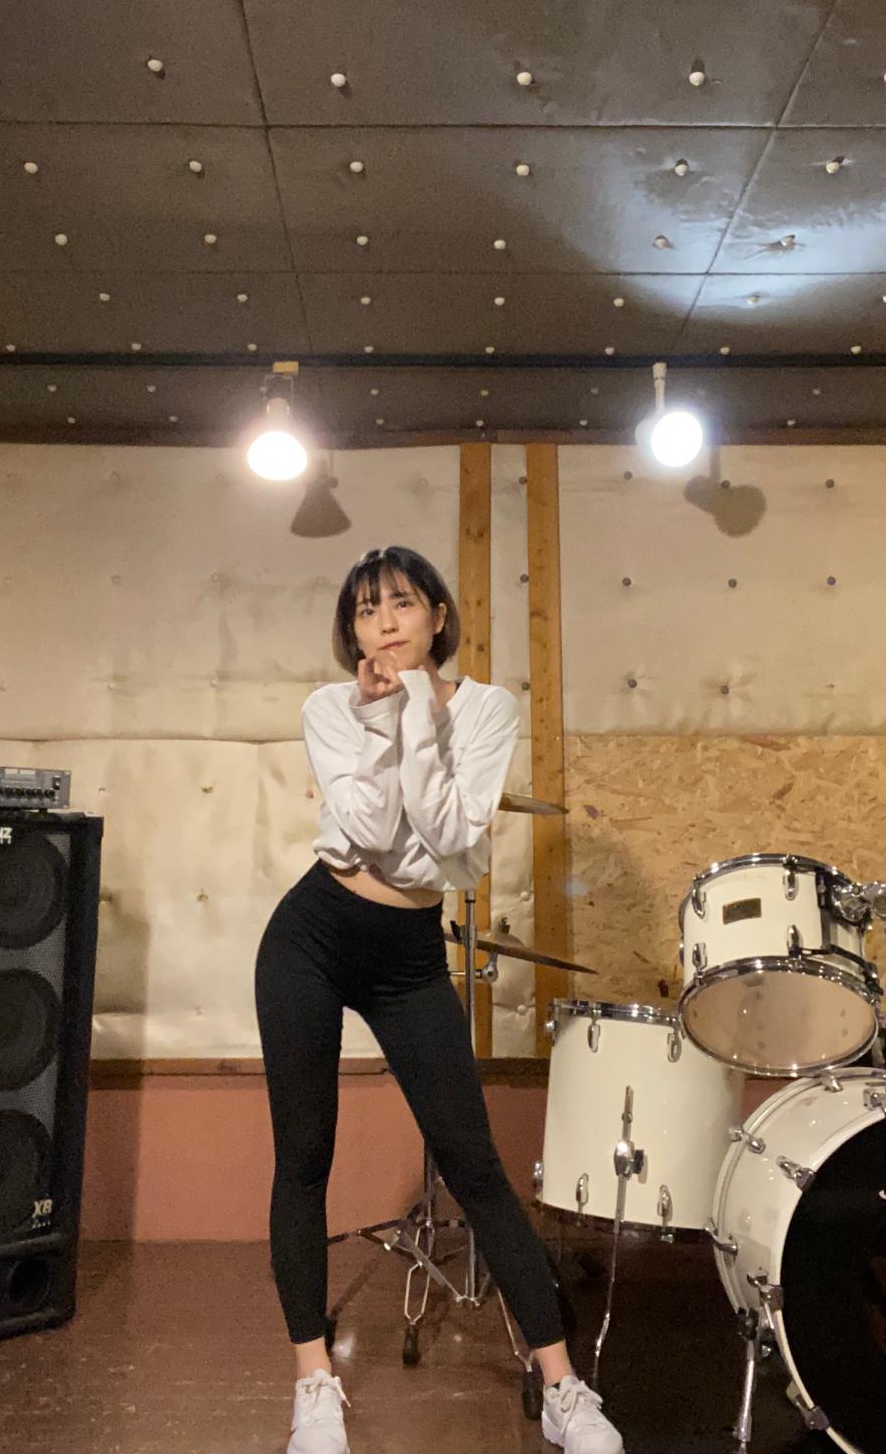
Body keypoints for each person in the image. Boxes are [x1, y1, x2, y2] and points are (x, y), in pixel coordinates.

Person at [254, 545, 624, 1454]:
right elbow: (372, 827)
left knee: (475, 1165)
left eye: (402, 603)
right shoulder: (329, 709)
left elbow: (452, 830)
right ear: (350, 630)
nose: (383, 622)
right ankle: (313, 1385)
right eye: (365, 609)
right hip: (310, 938)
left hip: (410, 955)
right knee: (304, 1157)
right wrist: (383, 716)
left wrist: (415, 705)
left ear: (438, 616)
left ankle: (564, 1388)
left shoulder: (488, 708)